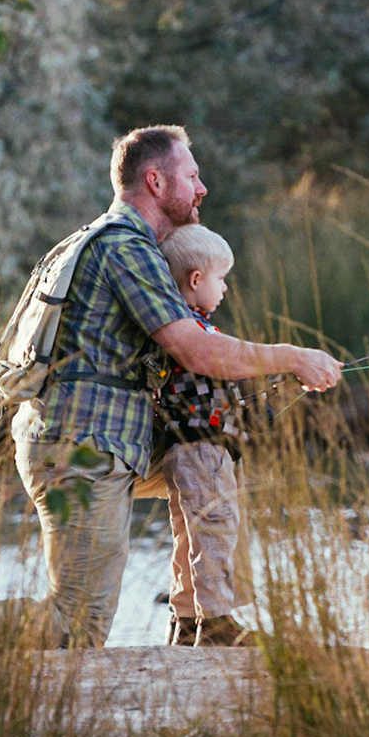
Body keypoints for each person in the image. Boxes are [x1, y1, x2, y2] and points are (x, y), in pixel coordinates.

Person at [10, 125, 341, 647]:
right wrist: (291, 358)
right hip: (81, 448)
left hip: (115, 440)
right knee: (79, 624)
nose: (202, 187)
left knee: (211, 457)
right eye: (192, 175)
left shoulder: (126, 243)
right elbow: (196, 349)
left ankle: (204, 619)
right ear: (156, 182)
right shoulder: (124, 248)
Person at [148, 224, 253, 646]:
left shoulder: (173, 330)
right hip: (202, 450)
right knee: (215, 529)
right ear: (195, 280)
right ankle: (215, 624)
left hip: (182, 450)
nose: (225, 288)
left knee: (187, 534)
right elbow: (228, 365)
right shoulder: (199, 335)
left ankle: (186, 621)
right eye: (221, 278)